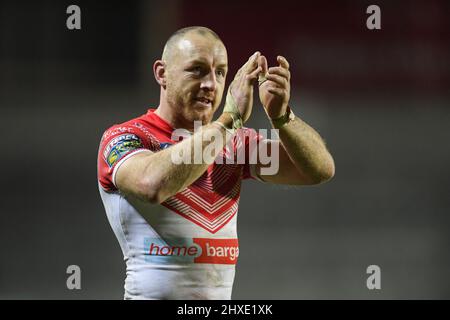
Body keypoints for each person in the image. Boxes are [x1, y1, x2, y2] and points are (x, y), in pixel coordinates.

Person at [97, 26, 335, 300]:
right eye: (197, 70)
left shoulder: (235, 144)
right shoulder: (127, 137)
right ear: (162, 73)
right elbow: (152, 185)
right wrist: (229, 120)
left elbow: (318, 170)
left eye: (220, 72)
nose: (210, 83)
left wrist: (282, 118)